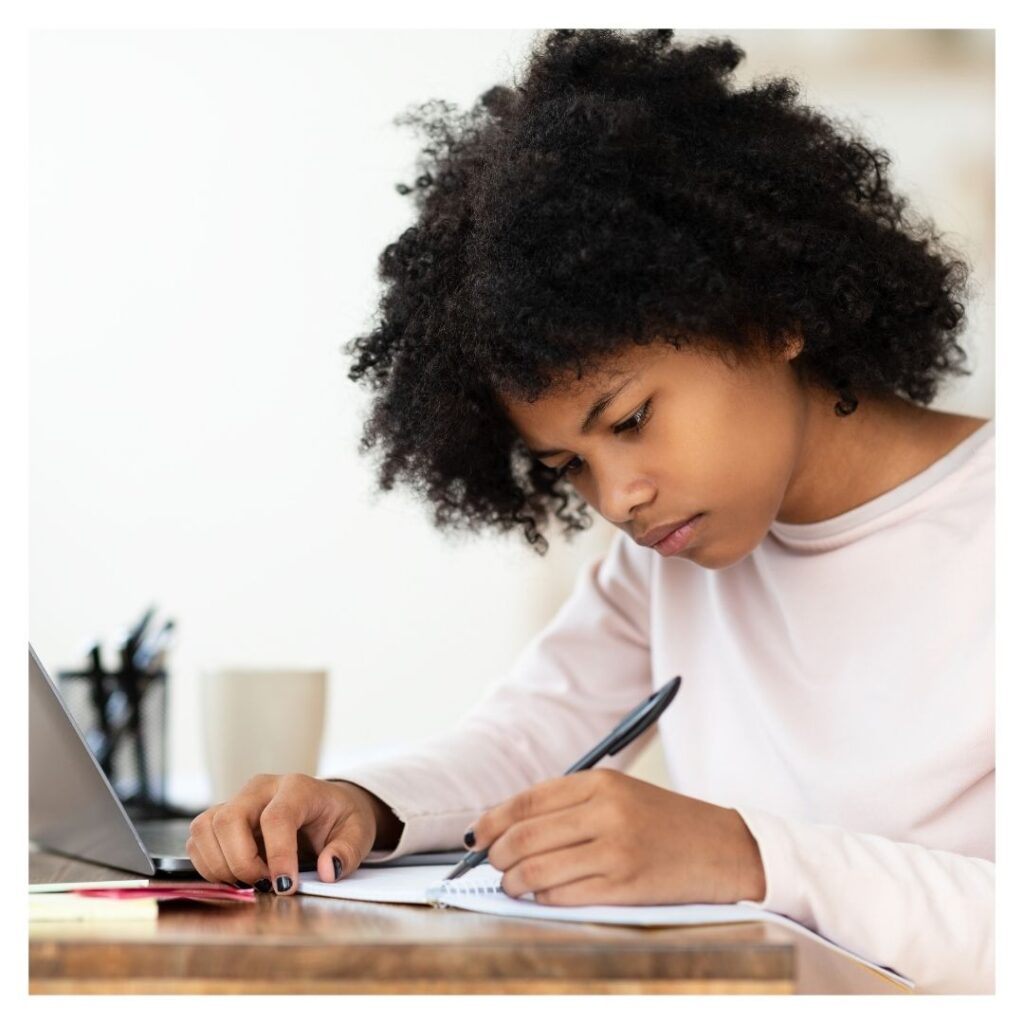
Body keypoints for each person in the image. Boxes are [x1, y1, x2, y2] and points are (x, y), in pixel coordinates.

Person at [186, 30, 993, 993]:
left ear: (773, 313)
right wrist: (358, 803)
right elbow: (525, 743)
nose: (619, 498)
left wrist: (747, 856)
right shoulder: (664, 561)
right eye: (569, 465)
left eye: (633, 419)